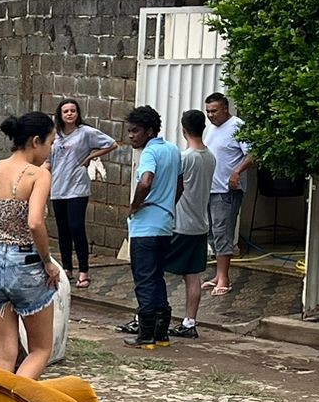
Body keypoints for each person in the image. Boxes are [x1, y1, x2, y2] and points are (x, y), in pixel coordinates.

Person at [0, 111, 62, 380]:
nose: (51, 149)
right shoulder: (38, 175)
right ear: (36, 141)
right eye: (51, 142)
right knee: (40, 349)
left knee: (4, 355)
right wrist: (48, 262)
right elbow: (35, 223)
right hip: (28, 265)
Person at [122, 105, 181, 350]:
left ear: (149, 131)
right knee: (157, 278)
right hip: (165, 226)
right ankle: (162, 332)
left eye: (135, 131)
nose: (131, 136)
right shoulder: (174, 150)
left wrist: (135, 205)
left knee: (144, 280)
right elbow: (180, 187)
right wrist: (166, 205)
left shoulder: (149, 153)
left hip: (145, 228)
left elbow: (145, 182)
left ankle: (145, 335)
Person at [47, 99, 117, 289]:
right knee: (63, 231)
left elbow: (111, 144)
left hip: (77, 188)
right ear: (60, 115)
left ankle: (84, 271)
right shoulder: (55, 136)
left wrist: (90, 156)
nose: (69, 114)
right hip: (58, 188)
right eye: (65, 111)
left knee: (77, 227)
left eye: (73, 110)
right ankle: (67, 268)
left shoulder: (85, 133)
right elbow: (48, 161)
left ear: (77, 113)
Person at [164, 109, 215, 339]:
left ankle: (153, 315)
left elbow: (175, 188)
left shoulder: (184, 158)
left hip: (179, 224)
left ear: (183, 130)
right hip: (200, 224)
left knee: (157, 270)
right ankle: (189, 321)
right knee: (193, 275)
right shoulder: (210, 157)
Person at [204, 92, 254, 295]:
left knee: (222, 232)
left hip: (227, 190)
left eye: (214, 111)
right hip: (210, 188)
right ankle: (217, 274)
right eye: (207, 111)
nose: (210, 115)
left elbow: (252, 154)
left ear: (225, 108)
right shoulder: (212, 129)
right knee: (211, 233)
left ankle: (224, 278)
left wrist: (237, 172)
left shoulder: (237, 126)